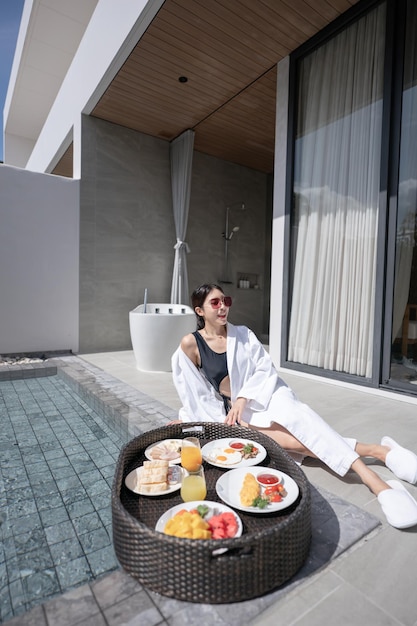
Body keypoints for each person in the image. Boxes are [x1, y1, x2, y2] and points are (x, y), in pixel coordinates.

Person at [171, 282, 417, 529]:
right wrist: (194, 419)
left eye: (226, 301)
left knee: (302, 423)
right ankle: (379, 451)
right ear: (200, 311)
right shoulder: (190, 344)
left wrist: (244, 397)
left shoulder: (243, 334)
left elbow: (264, 368)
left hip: (266, 394)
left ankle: (374, 481)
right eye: (215, 302)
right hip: (236, 412)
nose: (223, 307)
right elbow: (195, 392)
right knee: (297, 443)